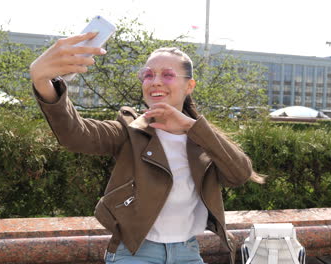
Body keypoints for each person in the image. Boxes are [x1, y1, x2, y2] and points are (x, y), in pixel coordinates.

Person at [30, 32, 263, 264]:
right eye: (148, 75)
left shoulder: (203, 138)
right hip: (134, 252)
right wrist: (42, 81)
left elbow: (240, 173)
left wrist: (192, 127)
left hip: (188, 252)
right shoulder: (130, 129)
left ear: (189, 85)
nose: (156, 81)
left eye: (168, 75)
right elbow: (75, 134)